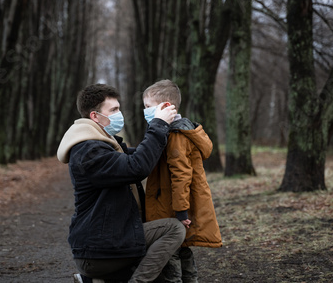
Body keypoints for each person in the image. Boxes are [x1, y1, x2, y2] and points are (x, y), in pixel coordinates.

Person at [57, 83, 186, 283]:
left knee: (161, 274)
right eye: (114, 110)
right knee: (173, 229)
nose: (120, 114)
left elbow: (141, 156)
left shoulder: (102, 144)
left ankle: (97, 281)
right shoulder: (89, 151)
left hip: (107, 243)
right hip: (98, 251)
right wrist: (158, 124)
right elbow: (137, 167)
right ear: (95, 116)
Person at [142, 79, 222, 283]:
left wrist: (180, 212)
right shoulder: (176, 131)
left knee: (170, 255)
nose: (145, 111)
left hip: (172, 208)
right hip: (174, 205)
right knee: (183, 251)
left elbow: (181, 176)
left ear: (166, 106)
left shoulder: (176, 135)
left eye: (148, 107)